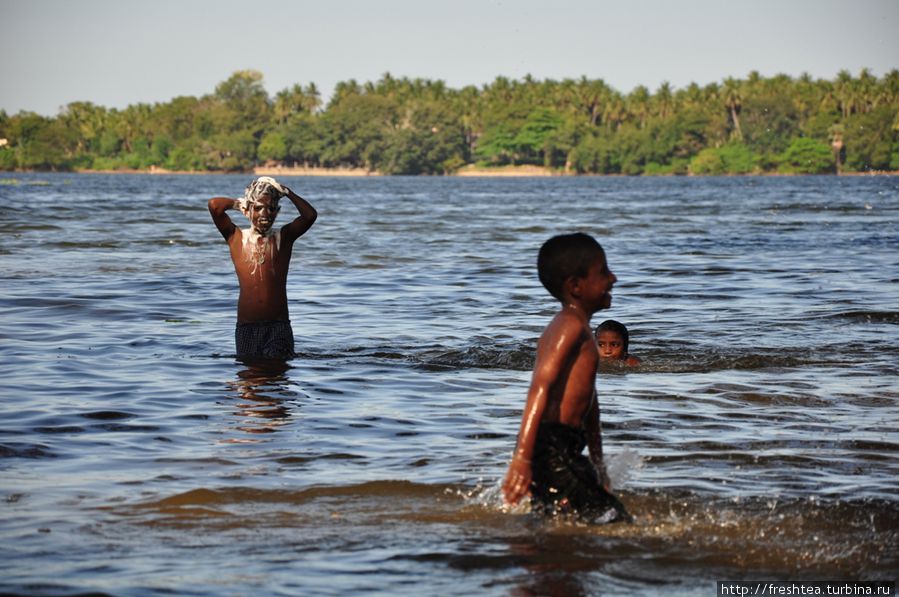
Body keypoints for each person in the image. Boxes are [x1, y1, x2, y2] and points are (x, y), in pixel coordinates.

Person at [502, 233, 631, 524]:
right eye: (603, 272)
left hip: (566, 447)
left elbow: (590, 404)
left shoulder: (582, 331)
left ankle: (544, 560)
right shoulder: (568, 327)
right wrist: (521, 458)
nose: (613, 278)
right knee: (613, 519)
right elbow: (540, 386)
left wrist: (599, 463)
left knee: (560, 521)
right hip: (551, 449)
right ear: (575, 286)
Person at [208, 176, 317, 360]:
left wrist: (286, 191)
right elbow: (214, 205)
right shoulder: (236, 238)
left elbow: (309, 215)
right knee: (250, 379)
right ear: (248, 210)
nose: (265, 214)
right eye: (258, 208)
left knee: (276, 374)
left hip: (278, 326)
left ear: (277, 212)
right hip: (246, 329)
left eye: (271, 209)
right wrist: (239, 204)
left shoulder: (284, 238)